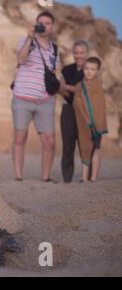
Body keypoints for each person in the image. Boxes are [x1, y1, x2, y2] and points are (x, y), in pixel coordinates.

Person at [11, 11, 61, 183]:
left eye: (48, 23)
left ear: (52, 26)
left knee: (50, 141)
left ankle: (45, 177)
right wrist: (29, 38)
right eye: (41, 23)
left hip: (46, 101)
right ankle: (18, 176)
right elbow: (20, 59)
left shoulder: (55, 49)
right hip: (22, 98)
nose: (44, 26)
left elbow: (54, 74)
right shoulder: (26, 42)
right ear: (36, 24)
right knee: (20, 138)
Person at [64, 57, 108, 182]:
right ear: (83, 69)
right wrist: (86, 117)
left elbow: (99, 105)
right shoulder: (79, 85)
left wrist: (94, 121)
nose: (89, 72)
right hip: (84, 122)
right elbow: (76, 102)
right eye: (87, 69)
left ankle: (93, 177)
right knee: (85, 147)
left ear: (97, 71)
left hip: (97, 123)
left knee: (96, 148)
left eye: (93, 69)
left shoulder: (98, 86)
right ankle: (84, 177)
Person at [59, 41, 88, 183]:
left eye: (82, 52)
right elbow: (60, 88)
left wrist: (69, 87)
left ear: (86, 54)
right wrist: (73, 88)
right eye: (76, 52)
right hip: (68, 110)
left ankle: (86, 177)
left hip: (84, 111)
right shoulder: (66, 69)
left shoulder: (90, 70)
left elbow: (82, 90)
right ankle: (67, 178)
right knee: (68, 145)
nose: (79, 55)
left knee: (85, 144)